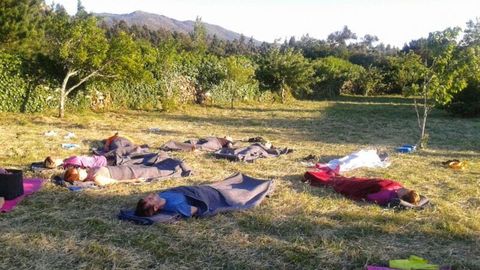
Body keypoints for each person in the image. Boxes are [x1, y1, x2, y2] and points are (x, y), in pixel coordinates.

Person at [304, 168, 421, 206]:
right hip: (363, 181)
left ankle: (314, 175)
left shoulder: (387, 194)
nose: (405, 188)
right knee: (341, 178)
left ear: (403, 196)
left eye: (406, 190)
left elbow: (370, 197)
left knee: (334, 181)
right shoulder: (398, 189)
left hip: (357, 186)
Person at [63, 156, 191, 186]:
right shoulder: (96, 178)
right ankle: (179, 169)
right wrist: (134, 180)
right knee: (155, 171)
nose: (78, 168)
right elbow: (115, 182)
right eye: (77, 170)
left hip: (126, 168)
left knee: (150, 165)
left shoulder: (90, 171)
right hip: (131, 174)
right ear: (78, 177)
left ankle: (175, 163)